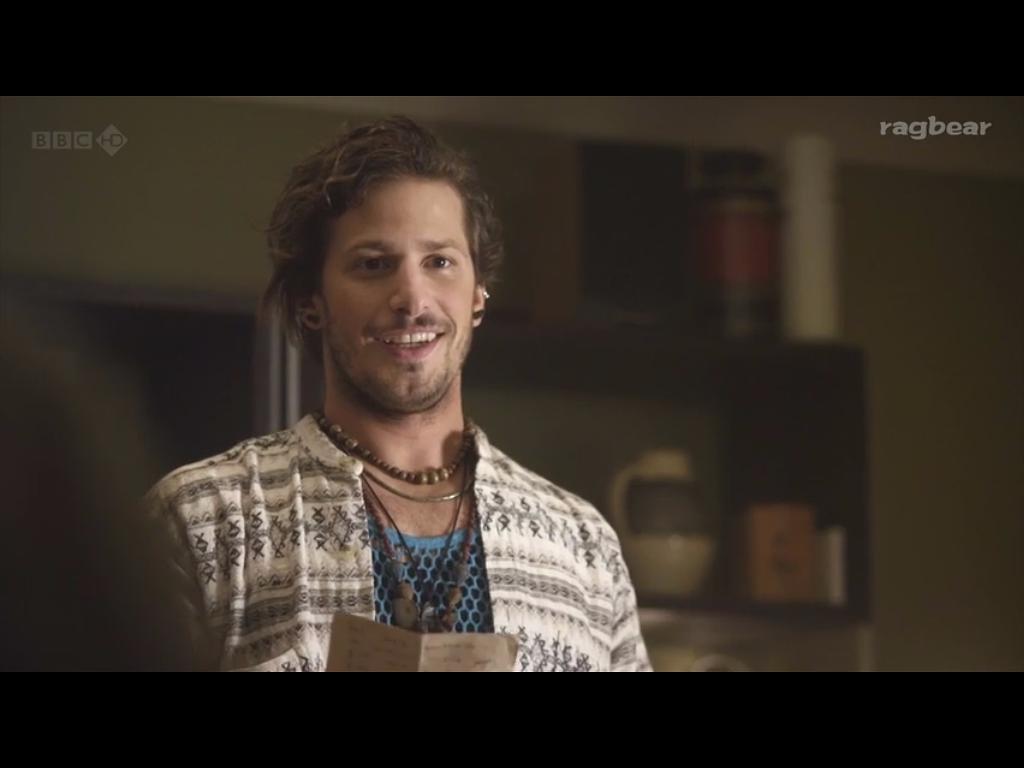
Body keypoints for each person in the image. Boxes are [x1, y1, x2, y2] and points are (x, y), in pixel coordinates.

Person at [146, 116, 650, 671]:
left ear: (478, 295)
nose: (412, 297)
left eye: (440, 262)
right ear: (312, 301)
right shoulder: (205, 521)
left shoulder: (583, 547)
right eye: (373, 265)